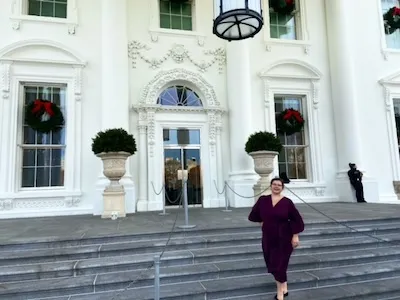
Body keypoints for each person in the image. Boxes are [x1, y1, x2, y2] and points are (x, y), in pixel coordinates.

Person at [248, 178, 304, 300]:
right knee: (272, 263)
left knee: (280, 264)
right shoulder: (263, 200)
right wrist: (262, 222)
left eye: (279, 185)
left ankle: (280, 294)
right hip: (268, 237)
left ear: (282, 187)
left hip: (284, 237)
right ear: (271, 186)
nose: (276, 186)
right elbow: (254, 215)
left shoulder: (287, 202)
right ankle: (285, 287)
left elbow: (297, 220)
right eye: (274, 184)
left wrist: (295, 236)